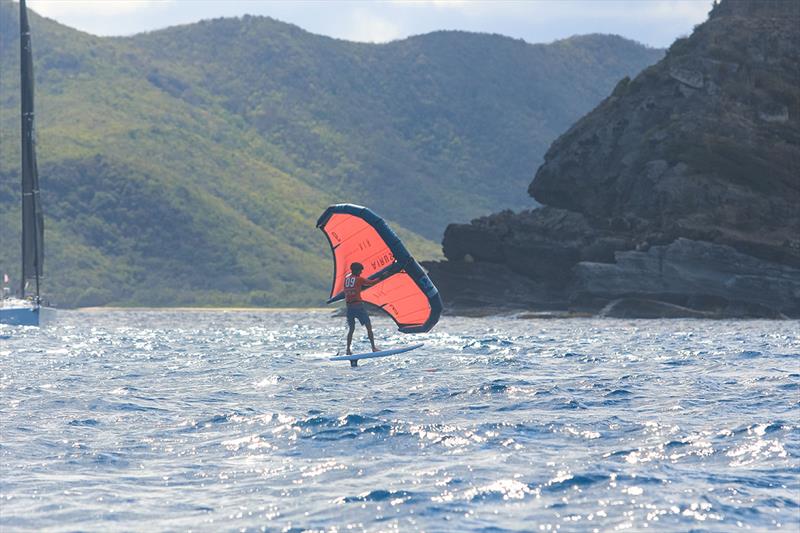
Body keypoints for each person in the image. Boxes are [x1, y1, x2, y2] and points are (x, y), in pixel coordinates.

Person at [344, 262, 379, 367]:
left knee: (351, 329)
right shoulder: (359, 279)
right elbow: (372, 283)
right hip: (358, 306)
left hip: (349, 307)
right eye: (360, 270)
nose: (361, 272)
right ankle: (373, 347)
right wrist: (383, 277)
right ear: (357, 270)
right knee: (368, 326)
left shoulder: (346, 278)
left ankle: (348, 350)